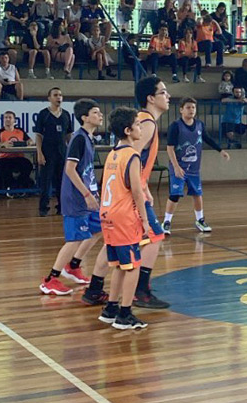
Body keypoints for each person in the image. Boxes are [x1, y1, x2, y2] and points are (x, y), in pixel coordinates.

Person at [39, 100, 107, 296]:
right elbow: (70, 169)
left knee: (98, 228)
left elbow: (86, 171)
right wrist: (86, 194)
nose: (100, 115)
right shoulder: (79, 138)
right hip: (76, 197)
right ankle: (50, 280)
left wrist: (93, 192)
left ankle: (74, 266)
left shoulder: (89, 137)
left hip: (88, 195)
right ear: (84, 117)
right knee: (74, 240)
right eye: (95, 112)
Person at [97, 107, 151, 330]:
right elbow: (137, 192)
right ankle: (125, 314)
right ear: (129, 130)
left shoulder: (112, 153)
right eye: (138, 125)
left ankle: (111, 308)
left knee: (119, 265)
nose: (141, 128)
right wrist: (145, 220)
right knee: (132, 267)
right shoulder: (132, 155)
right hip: (124, 216)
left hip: (107, 214)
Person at [163, 97, 230, 236]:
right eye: (188, 107)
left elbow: (207, 139)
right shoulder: (175, 126)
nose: (191, 110)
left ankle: (200, 220)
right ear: (181, 109)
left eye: (193, 107)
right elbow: (169, 148)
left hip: (194, 168)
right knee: (175, 194)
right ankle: (166, 222)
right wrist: (175, 166)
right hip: (179, 167)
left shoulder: (199, 124)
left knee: (197, 194)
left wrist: (220, 150)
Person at [132, 75, 171, 309]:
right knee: (155, 237)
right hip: (130, 191)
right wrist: (141, 189)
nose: (168, 96)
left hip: (132, 187)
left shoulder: (143, 121)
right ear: (150, 98)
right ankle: (140, 291)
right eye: (163, 92)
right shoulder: (147, 123)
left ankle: (95, 287)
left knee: (118, 242)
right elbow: (130, 157)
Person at [35, 87, 73, 217]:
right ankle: (43, 208)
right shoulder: (43, 114)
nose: (59, 98)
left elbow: (69, 135)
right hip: (47, 151)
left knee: (62, 181)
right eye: (56, 95)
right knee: (46, 182)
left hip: (62, 151)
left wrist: (72, 153)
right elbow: (39, 135)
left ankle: (62, 207)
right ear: (49, 98)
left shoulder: (66, 114)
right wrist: (39, 153)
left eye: (60, 95)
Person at [0, 111, 34, 192]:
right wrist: (2, 144)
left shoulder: (20, 131)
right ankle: (10, 188)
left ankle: (19, 185)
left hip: (18, 157)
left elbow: (30, 141)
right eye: (6, 117)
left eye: (10, 117)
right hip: (4, 158)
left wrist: (27, 143)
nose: (7, 119)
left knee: (28, 165)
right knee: (4, 169)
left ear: (14, 120)